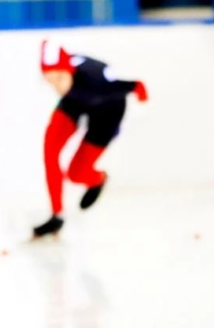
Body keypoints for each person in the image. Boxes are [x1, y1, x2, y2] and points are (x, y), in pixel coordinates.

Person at [33, 40, 148, 238]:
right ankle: (57, 216)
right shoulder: (67, 84)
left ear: (69, 70)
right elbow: (63, 81)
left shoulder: (97, 80)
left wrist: (142, 99)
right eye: (50, 81)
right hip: (77, 101)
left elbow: (138, 86)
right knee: (49, 150)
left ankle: (98, 179)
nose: (57, 87)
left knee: (75, 174)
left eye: (60, 78)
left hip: (107, 114)